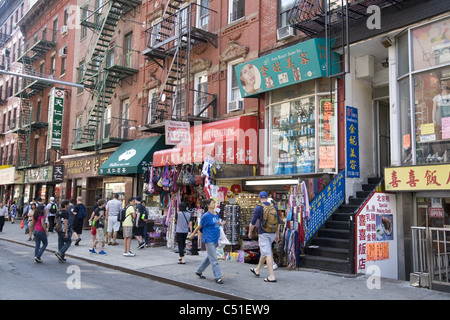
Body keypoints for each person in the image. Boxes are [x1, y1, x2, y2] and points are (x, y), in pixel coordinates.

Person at [189, 199, 224, 284]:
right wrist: (192, 234)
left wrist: (221, 223)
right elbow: (199, 226)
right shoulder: (206, 216)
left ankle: (199, 271)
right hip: (209, 239)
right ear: (208, 205)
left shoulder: (216, 214)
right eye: (212, 203)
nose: (214, 204)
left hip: (215, 238)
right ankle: (217, 277)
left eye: (214, 203)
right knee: (214, 258)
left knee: (209, 256)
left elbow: (216, 224)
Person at [248, 191, 280, 283]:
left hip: (263, 234)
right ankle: (257, 270)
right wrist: (277, 234)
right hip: (272, 233)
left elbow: (252, 223)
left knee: (267, 254)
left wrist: (250, 232)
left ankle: (272, 276)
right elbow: (278, 223)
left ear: (259, 198)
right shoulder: (274, 207)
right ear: (267, 197)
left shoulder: (258, 208)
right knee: (265, 251)